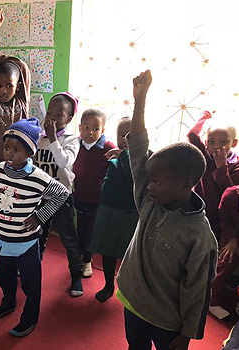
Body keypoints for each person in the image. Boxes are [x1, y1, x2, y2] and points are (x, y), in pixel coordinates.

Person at [117, 70, 217, 350]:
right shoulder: (150, 199)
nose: (149, 186)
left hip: (166, 322)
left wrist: (186, 334)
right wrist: (140, 99)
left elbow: (198, 289)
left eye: (157, 181)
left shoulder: (200, 236)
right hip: (133, 303)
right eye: (150, 180)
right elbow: (138, 147)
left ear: (186, 187)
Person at [0, 118, 69, 337]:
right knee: (5, 278)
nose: (9, 153)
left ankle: (30, 318)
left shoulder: (38, 178)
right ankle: (8, 303)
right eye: (7, 148)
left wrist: (39, 216)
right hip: (2, 238)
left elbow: (62, 193)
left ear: (29, 152)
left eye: (16, 149)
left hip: (25, 243)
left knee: (31, 284)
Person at [33, 91, 84, 297]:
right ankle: (33, 269)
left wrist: (53, 138)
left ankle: (76, 275)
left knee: (68, 238)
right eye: (50, 113)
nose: (52, 118)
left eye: (59, 115)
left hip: (61, 197)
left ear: (69, 119)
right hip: (40, 196)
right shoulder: (39, 137)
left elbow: (64, 162)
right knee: (38, 235)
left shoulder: (71, 140)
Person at [88, 117, 139, 302]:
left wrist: (124, 155)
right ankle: (108, 285)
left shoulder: (143, 157)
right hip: (108, 210)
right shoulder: (113, 154)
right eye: (121, 135)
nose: (125, 139)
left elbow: (132, 179)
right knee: (107, 251)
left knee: (129, 254)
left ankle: (127, 289)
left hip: (128, 214)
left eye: (130, 135)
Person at [0, 9, 30, 164]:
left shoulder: (21, 102)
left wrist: (2, 60)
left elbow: (21, 68)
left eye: (9, 86)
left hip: (19, 164)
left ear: (18, 86)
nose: (3, 90)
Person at [72, 109, 115, 277]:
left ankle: (87, 260)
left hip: (97, 200)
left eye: (96, 129)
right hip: (80, 195)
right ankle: (81, 256)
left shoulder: (108, 147)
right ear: (80, 127)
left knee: (90, 231)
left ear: (102, 130)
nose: (90, 132)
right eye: (86, 127)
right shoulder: (75, 144)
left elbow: (116, 168)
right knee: (81, 228)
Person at [187, 111, 239, 243]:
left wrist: (222, 167)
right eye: (211, 142)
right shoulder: (204, 155)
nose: (216, 146)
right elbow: (192, 134)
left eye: (223, 142)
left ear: (234, 143)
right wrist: (204, 116)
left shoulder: (236, 165)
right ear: (205, 143)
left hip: (222, 222)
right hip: (197, 213)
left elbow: (231, 194)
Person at [210, 185, 239, 319]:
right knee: (226, 260)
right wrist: (232, 239)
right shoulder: (232, 194)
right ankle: (211, 300)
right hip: (231, 236)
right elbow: (225, 219)